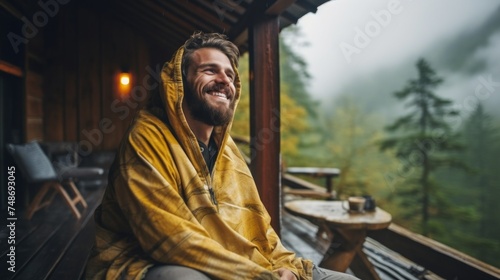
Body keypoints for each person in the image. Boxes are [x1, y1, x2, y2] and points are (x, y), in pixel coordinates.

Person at [85, 32, 358, 280]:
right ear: (179, 83)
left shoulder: (228, 151)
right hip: (143, 262)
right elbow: (170, 239)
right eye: (209, 70)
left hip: (243, 264)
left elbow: (260, 227)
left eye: (229, 74)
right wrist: (261, 277)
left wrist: (286, 268)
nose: (224, 80)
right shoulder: (146, 138)